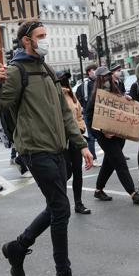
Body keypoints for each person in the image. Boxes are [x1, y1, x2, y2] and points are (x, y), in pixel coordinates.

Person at [0, 19, 95, 276]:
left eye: (46, 35)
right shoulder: (16, 71)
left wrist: (80, 144)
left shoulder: (45, 69)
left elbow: (64, 111)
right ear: (26, 41)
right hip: (35, 150)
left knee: (55, 206)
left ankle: (18, 248)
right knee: (61, 208)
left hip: (59, 148)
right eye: (41, 36)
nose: (46, 40)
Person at [88, 66, 139, 205]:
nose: (109, 78)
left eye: (109, 75)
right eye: (106, 76)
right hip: (105, 138)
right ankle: (133, 193)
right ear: (100, 79)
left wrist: (127, 100)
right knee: (120, 162)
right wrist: (102, 132)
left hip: (118, 136)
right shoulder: (96, 96)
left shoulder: (116, 91)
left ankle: (98, 190)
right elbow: (90, 119)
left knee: (109, 163)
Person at [58, 71, 90, 215]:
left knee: (77, 171)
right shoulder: (56, 96)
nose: (65, 81)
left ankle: (78, 203)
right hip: (63, 140)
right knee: (66, 172)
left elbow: (78, 114)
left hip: (75, 137)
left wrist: (82, 127)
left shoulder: (72, 95)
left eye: (66, 79)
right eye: (62, 79)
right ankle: (60, 203)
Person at [77, 64, 98, 160]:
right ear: (89, 72)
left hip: (95, 111)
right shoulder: (86, 84)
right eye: (94, 70)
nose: (95, 72)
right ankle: (93, 157)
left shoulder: (95, 81)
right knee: (91, 137)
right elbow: (86, 99)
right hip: (89, 113)